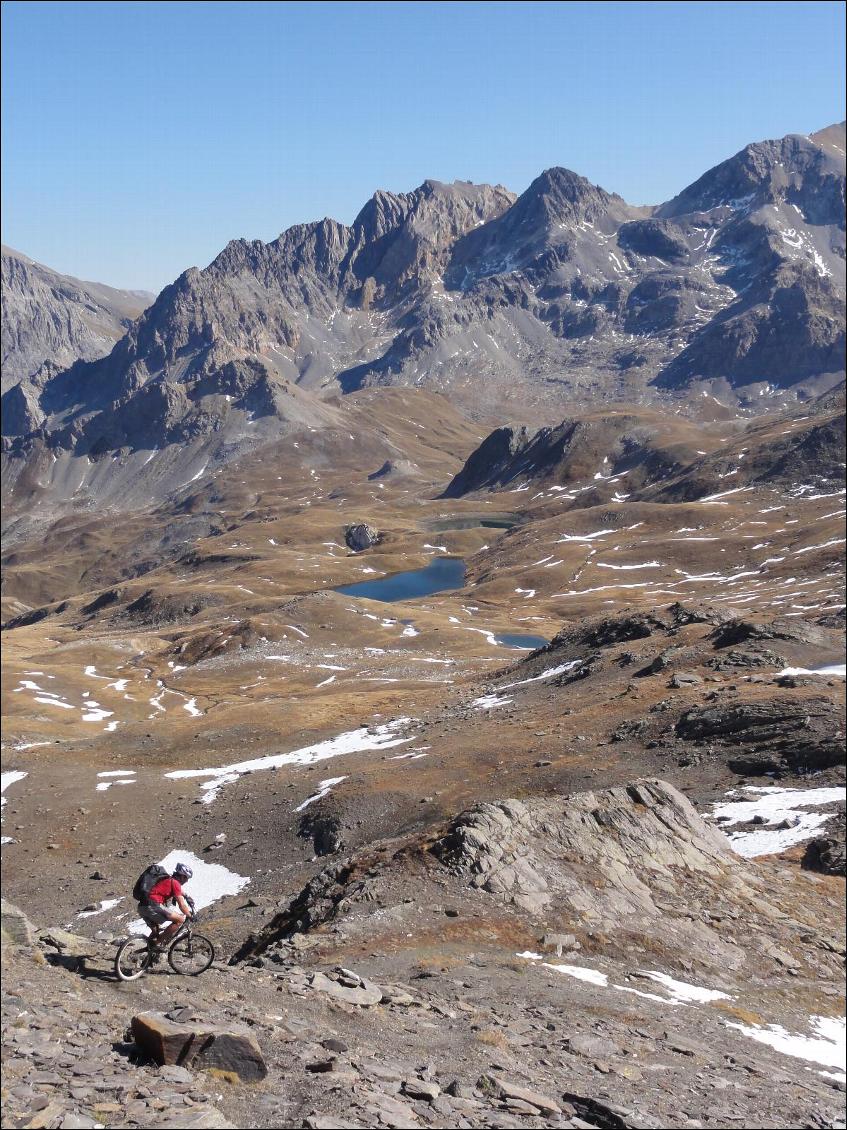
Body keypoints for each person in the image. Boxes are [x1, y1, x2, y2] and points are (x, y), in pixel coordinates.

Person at [138, 862, 195, 949]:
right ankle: (156, 944)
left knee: (156, 931)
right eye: (186, 878)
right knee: (180, 919)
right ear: (182, 876)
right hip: (154, 905)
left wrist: (187, 896)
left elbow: (179, 892)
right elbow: (182, 905)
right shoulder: (175, 883)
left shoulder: (168, 879)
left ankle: (149, 955)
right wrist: (189, 915)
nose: (187, 881)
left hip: (142, 906)